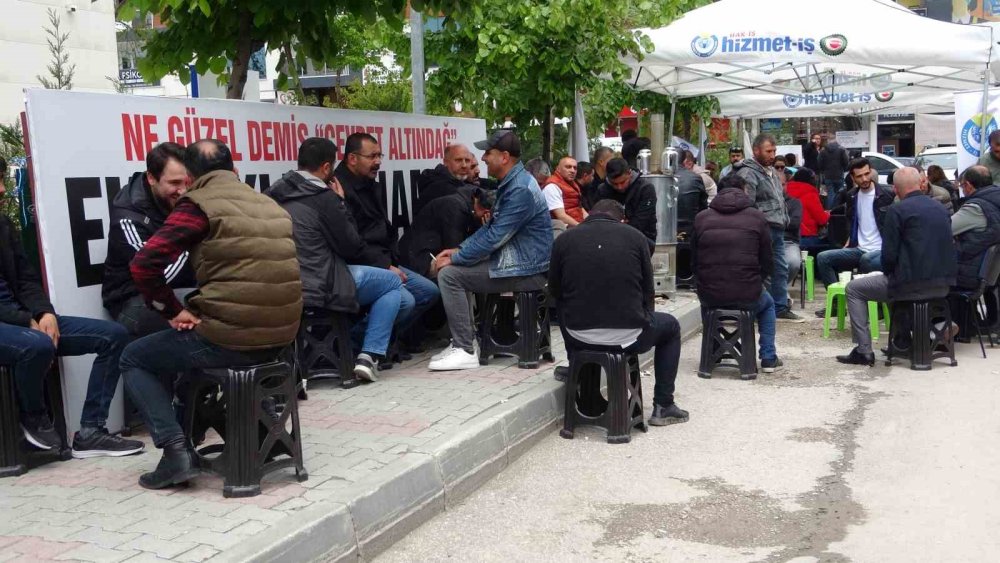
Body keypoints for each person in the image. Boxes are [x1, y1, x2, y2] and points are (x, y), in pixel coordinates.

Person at [121, 139, 303, 489]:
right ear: (232, 167)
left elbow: (144, 265)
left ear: (189, 176)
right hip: (283, 337)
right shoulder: (268, 203)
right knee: (192, 373)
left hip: (232, 337)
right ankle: (268, 436)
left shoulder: (198, 205)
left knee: (134, 358)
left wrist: (172, 311)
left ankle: (176, 453)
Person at [0, 180, 140, 458]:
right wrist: (24, 320)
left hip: (23, 319)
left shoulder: (3, 224)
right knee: (36, 345)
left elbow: (27, 279)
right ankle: (33, 419)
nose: (3, 190)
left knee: (114, 335)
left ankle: (90, 431)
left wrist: (43, 312)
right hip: (15, 325)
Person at [266, 137, 404, 382]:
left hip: (284, 284)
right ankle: (367, 356)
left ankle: (339, 348)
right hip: (322, 282)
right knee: (393, 284)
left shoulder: (273, 192)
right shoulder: (324, 196)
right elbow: (351, 245)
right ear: (327, 168)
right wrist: (340, 202)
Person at [549, 200, 688, 425]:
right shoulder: (635, 237)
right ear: (622, 220)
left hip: (579, 337)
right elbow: (648, 292)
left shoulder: (564, 239)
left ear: (589, 215)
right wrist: (644, 318)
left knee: (569, 308)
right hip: (628, 337)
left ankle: (586, 391)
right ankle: (664, 405)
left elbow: (554, 291)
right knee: (671, 326)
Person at [429, 130, 551, 370]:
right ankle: (464, 342)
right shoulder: (514, 182)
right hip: (520, 262)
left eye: (488, 153)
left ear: (504, 157)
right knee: (456, 266)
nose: (482, 158)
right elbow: (492, 229)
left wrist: (456, 258)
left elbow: (495, 236)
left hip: (527, 270)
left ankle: (464, 348)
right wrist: (458, 251)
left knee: (449, 275)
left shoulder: (520, 189)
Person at [835, 167, 957, 366]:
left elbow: (889, 256)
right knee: (896, 288)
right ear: (920, 183)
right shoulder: (940, 208)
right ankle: (909, 337)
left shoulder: (897, 210)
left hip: (910, 285)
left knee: (854, 289)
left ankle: (863, 350)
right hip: (943, 284)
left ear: (896, 190)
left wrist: (887, 271)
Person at [336, 132, 440, 349]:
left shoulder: (372, 183)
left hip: (385, 259)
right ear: (352, 158)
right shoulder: (339, 190)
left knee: (428, 292)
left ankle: (377, 341)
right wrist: (386, 266)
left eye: (379, 155)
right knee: (405, 301)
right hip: (362, 265)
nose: (378, 162)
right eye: (372, 156)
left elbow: (383, 229)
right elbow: (352, 243)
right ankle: (350, 345)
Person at [103, 142, 197, 336]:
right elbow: (159, 275)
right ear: (151, 178)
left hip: (179, 290)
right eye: (174, 183)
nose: (183, 191)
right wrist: (193, 231)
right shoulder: (127, 216)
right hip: (133, 300)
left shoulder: (187, 198)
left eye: (188, 183)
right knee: (204, 305)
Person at [690, 175, 782, 372]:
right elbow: (767, 260)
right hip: (747, 294)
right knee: (768, 305)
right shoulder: (757, 217)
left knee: (707, 303)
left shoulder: (701, 218)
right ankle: (768, 357)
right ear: (744, 190)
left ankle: (712, 350)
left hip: (711, 296)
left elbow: (694, 261)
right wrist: (757, 281)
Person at [814, 157, 895, 318]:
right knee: (823, 257)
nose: (864, 179)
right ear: (852, 178)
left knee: (866, 259)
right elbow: (852, 221)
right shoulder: (851, 196)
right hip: (858, 248)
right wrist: (849, 239)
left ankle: (872, 306)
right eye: (859, 176)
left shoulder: (887, 194)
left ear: (871, 171)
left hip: (881, 250)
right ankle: (838, 304)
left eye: (867, 174)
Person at [733, 133, 802, 323]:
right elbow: (748, 204)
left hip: (777, 228)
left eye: (774, 151)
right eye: (768, 151)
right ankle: (755, 307)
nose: (772, 155)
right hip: (762, 229)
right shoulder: (748, 173)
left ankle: (780, 306)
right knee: (759, 270)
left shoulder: (769, 171)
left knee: (780, 268)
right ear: (756, 151)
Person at [398, 186, 495, 278]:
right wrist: (486, 230)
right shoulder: (455, 208)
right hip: (419, 258)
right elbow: (456, 250)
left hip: (429, 252)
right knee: (460, 272)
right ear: (487, 213)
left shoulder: (466, 206)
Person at [596, 157, 658, 251]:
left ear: (629, 173)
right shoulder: (603, 190)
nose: (619, 187)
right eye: (615, 184)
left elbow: (641, 222)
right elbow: (601, 219)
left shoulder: (645, 188)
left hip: (643, 238)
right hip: (610, 241)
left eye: (623, 182)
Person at [414, 144, 473, 216]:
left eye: (467, 160)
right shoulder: (439, 187)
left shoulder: (458, 182)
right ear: (445, 162)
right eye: (458, 160)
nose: (464, 165)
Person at [786, 167, 830, 252]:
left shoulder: (785, 190)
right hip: (807, 237)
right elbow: (822, 220)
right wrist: (828, 214)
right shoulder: (810, 193)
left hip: (787, 237)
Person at [542, 156, 587, 229]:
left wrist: (592, 222)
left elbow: (580, 207)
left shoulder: (572, 184)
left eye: (575, 168)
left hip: (577, 225)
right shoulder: (552, 187)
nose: (572, 170)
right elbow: (561, 216)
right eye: (568, 167)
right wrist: (582, 228)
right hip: (563, 229)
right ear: (558, 169)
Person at [676, 151, 708, 240]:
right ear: (684, 160)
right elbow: (703, 207)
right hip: (690, 230)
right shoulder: (695, 178)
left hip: (665, 230)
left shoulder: (659, 178)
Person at [818, 137, 849, 209]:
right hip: (839, 175)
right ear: (836, 141)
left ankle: (830, 211)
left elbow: (819, 163)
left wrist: (823, 170)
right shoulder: (841, 150)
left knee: (830, 194)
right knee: (839, 194)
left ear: (828, 142)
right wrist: (843, 169)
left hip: (828, 176)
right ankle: (838, 210)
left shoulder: (823, 151)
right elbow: (846, 161)